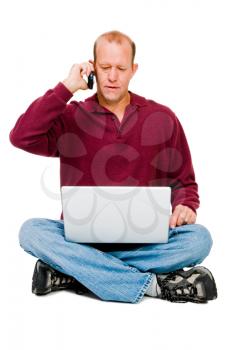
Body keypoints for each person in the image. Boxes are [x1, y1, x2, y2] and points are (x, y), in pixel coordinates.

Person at [9, 30, 217, 304]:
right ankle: (151, 285)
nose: (112, 76)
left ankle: (76, 271)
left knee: (199, 239)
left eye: (121, 68)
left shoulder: (162, 118)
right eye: (105, 67)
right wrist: (66, 88)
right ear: (92, 67)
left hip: (145, 242)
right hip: (81, 240)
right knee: (31, 231)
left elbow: (184, 182)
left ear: (134, 70)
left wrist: (185, 205)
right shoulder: (71, 116)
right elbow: (21, 136)